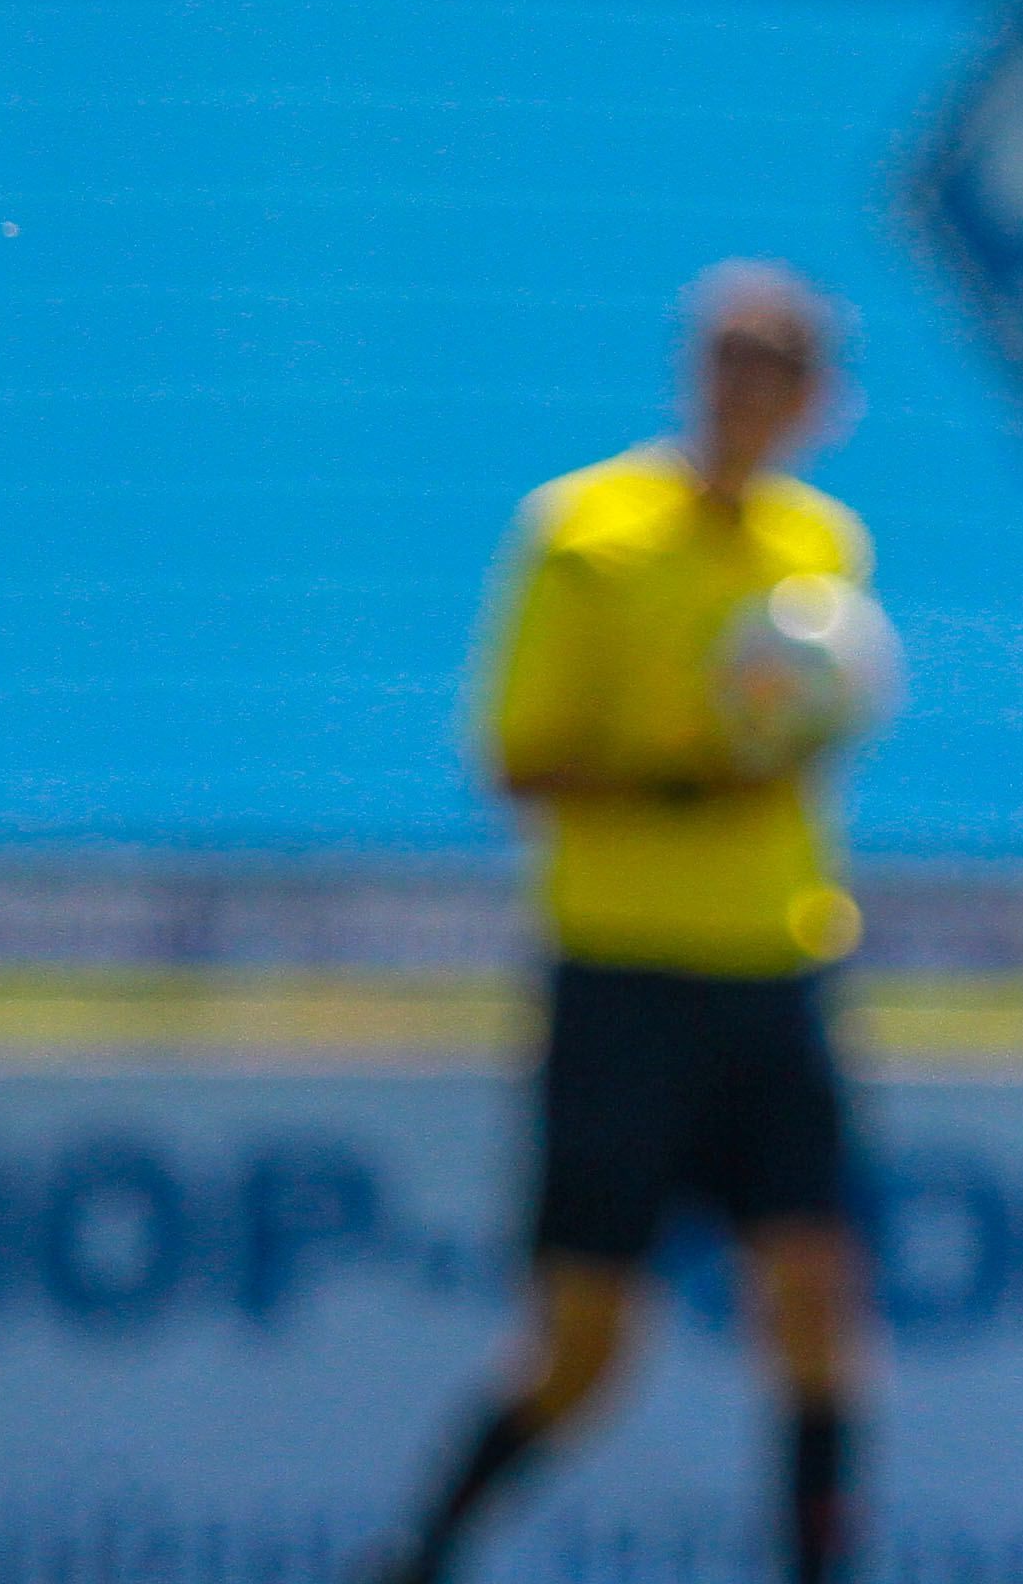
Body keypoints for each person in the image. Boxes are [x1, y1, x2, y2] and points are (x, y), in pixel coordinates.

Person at [376, 263, 883, 1584]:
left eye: (778, 366)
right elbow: (514, 761)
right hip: (624, 983)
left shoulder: (823, 550)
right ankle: (415, 1559)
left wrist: (791, 745)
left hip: (773, 972)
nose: (747, 389)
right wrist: (687, 780)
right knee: (585, 1353)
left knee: (818, 1309)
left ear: (816, 398)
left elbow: (806, 731)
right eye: (727, 358)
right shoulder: (585, 533)